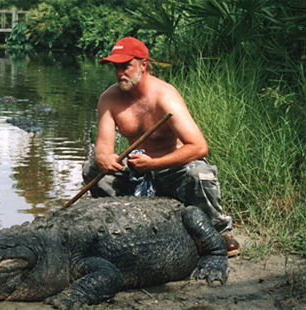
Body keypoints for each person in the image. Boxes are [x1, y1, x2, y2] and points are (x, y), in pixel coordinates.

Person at [82, 36, 240, 256]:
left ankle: (217, 232)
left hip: (171, 172)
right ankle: (116, 229)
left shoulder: (165, 96)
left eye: (125, 66)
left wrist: (154, 164)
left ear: (143, 65)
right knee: (91, 169)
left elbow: (199, 147)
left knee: (199, 172)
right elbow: (103, 147)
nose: (119, 73)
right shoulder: (108, 98)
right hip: (136, 173)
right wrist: (102, 158)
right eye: (116, 67)